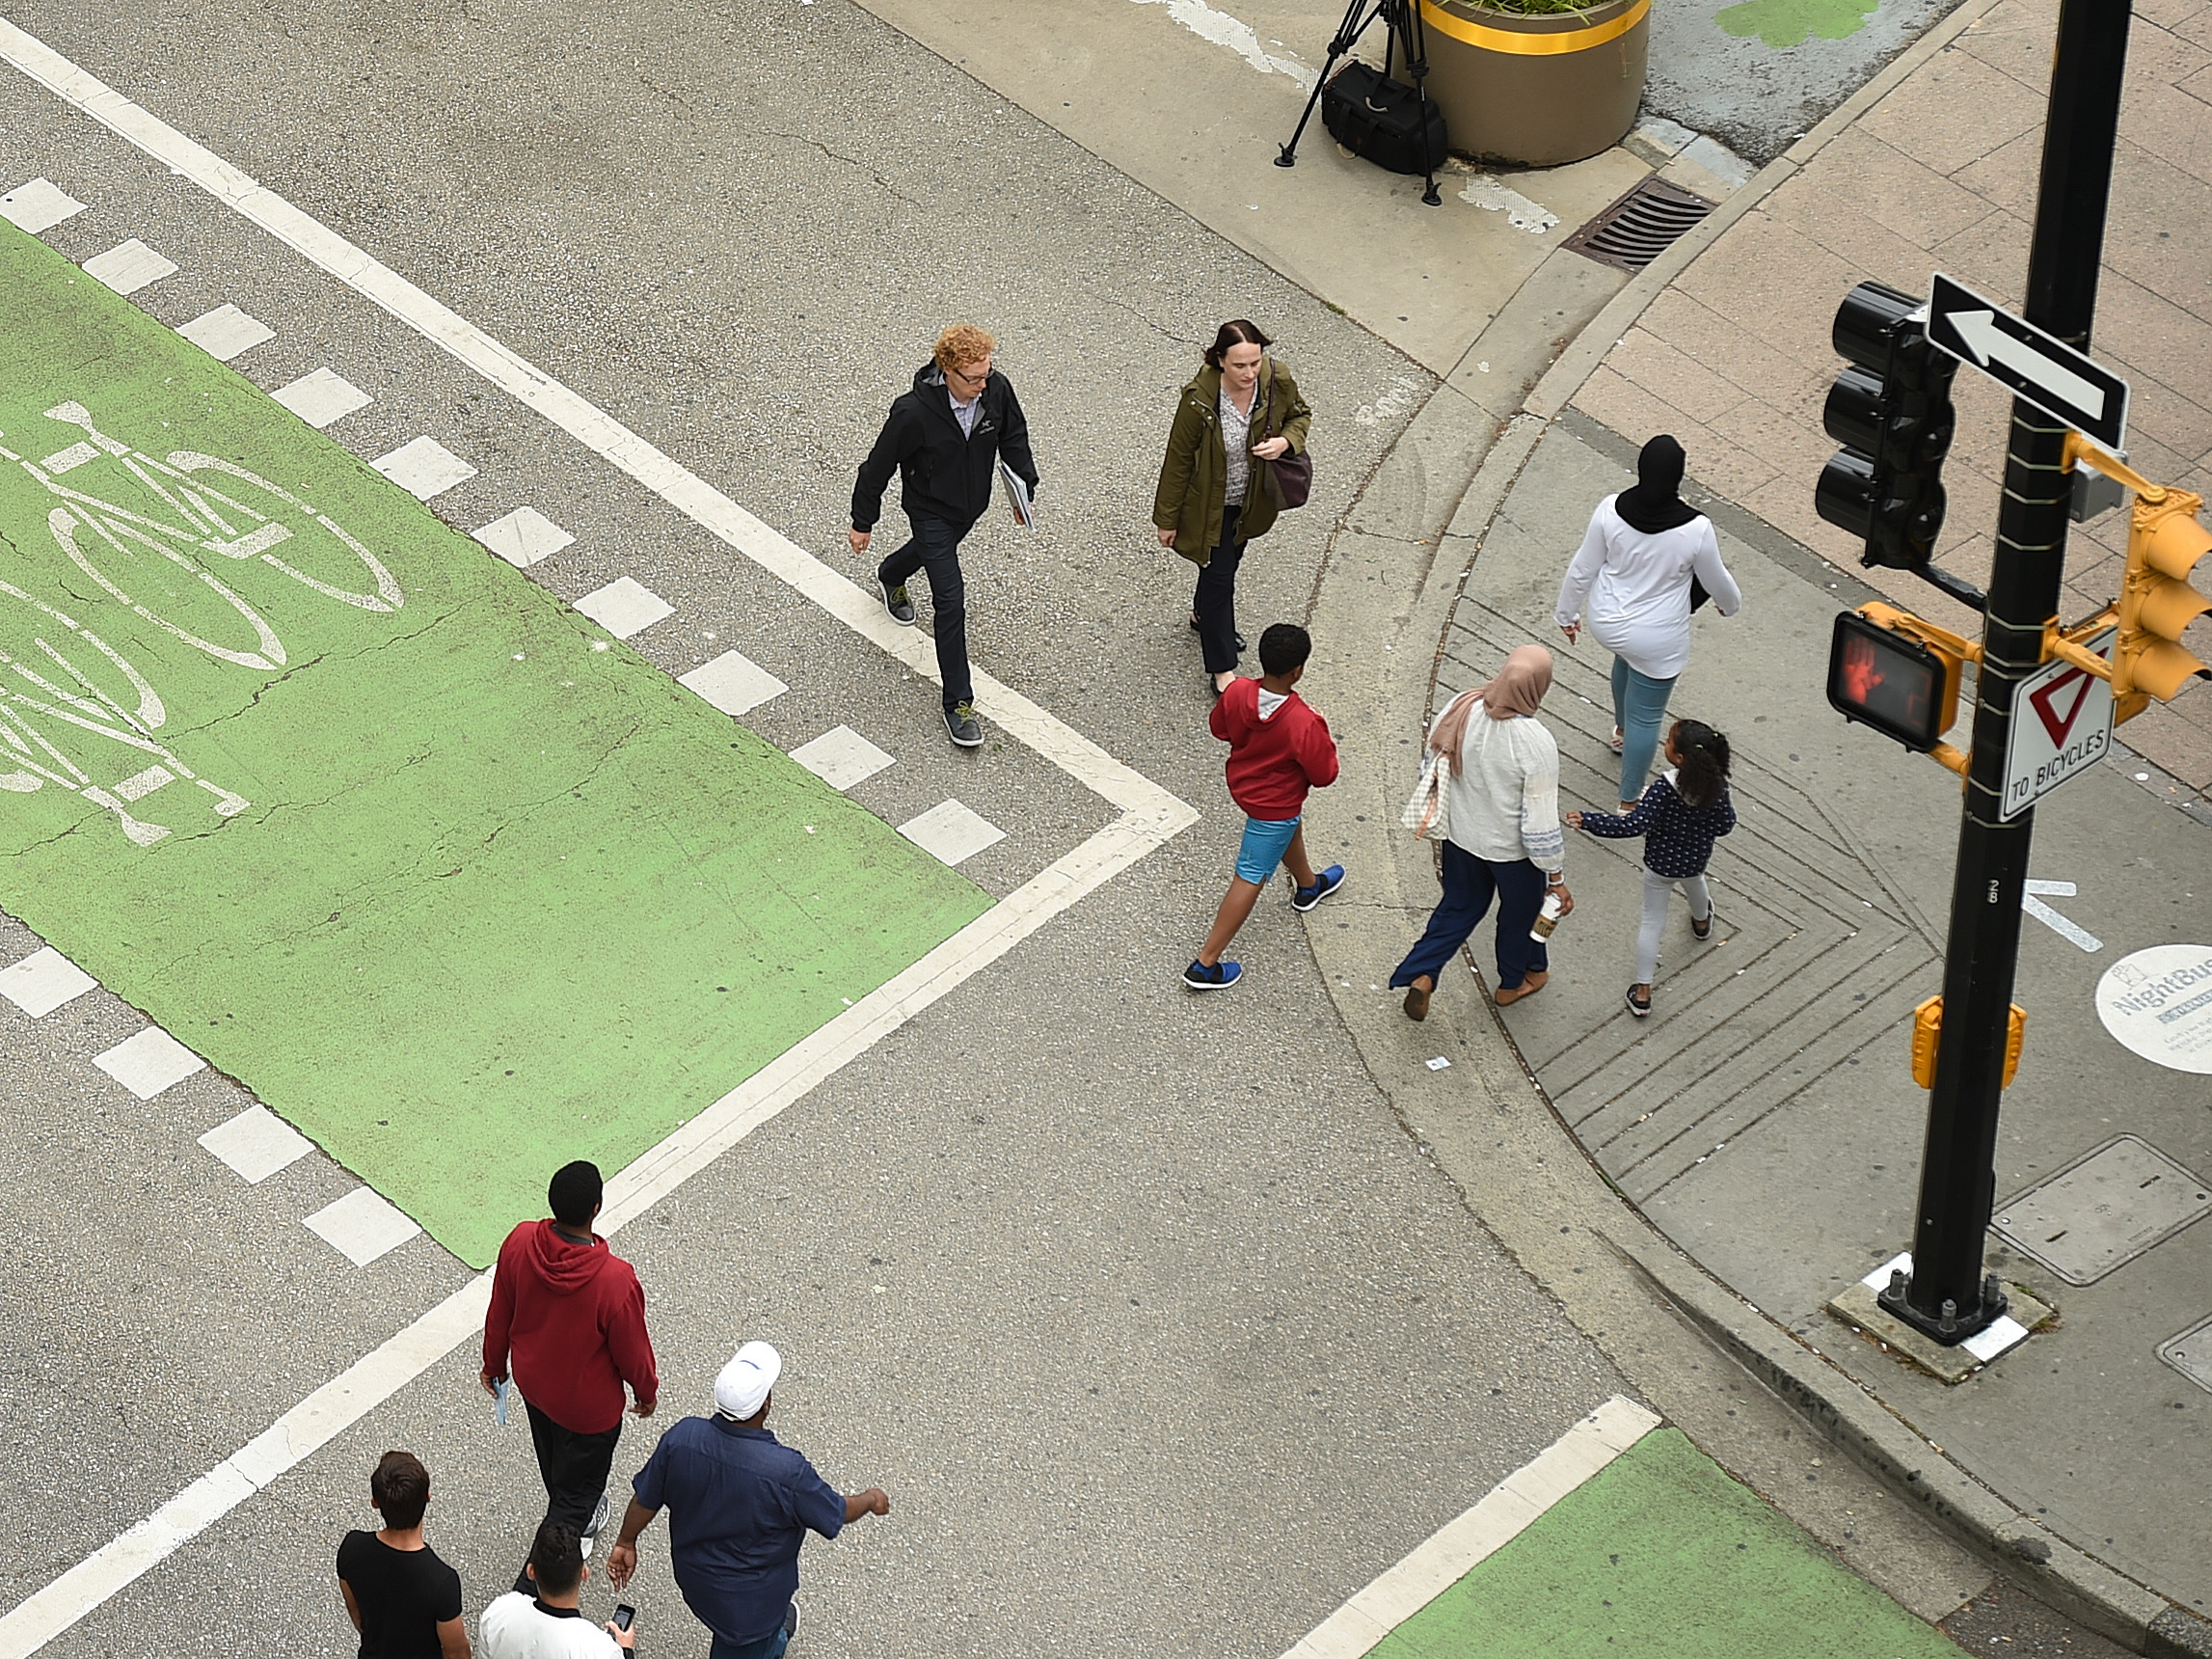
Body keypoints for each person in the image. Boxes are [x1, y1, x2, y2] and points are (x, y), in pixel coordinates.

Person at [606, 1342, 892, 1659]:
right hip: (750, 1607)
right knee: (751, 1646)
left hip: (696, 1580)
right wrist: (870, 1499)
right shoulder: (786, 1472)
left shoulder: (682, 1438)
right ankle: (776, 1640)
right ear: (766, 1404)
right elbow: (837, 1512)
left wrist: (626, 1541)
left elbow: (646, 1498)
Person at [850, 322, 1039, 748]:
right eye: (973, 379)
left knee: (931, 556)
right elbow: (876, 467)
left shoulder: (996, 390)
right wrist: (864, 521)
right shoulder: (912, 413)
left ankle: (891, 573)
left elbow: (1013, 436)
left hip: (969, 507)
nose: (982, 385)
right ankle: (958, 703)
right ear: (947, 369)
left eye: (986, 374)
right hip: (930, 511)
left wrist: (1022, 488)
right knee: (950, 598)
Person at [482, 1160, 659, 1593]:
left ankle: (574, 1508)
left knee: (559, 1469)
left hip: (535, 1388)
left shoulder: (520, 1241)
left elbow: (500, 1311)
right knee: (572, 1501)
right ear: (596, 1208)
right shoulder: (614, 1281)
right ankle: (533, 1593)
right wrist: (646, 1392)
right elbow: (632, 1351)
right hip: (588, 1412)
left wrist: (494, 1365)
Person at [1554, 434, 1741, 809]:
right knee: (1648, 715)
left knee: (1625, 661)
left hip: (1607, 621)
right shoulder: (1696, 528)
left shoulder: (1610, 509)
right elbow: (1717, 580)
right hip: (1657, 639)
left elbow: (1582, 568)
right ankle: (1628, 801)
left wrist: (1567, 613)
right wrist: (1729, 606)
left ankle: (1620, 732)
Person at [1390, 645, 1571, 1020]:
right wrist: (1556, 877)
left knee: (1459, 906)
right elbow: (1540, 822)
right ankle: (1512, 983)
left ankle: (1424, 972)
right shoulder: (1536, 742)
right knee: (1520, 915)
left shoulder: (1463, 704)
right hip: (1512, 853)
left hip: (1460, 837)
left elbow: (1432, 760)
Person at [1152, 320, 1312, 697]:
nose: (1250, 373)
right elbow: (1178, 460)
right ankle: (1222, 666)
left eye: (1255, 363)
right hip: (1209, 505)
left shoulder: (1276, 379)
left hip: (1251, 502)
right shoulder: (1198, 400)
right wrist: (1166, 519)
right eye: (1240, 365)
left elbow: (1300, 415)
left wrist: (1285, 443)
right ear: (1219, 360)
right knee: (1220, 576)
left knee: (1223, 567)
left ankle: (1202, 615)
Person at [1183, 622, 1343, 991]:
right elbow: (1324, 774)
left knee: (1288, 828)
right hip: (1275, 804)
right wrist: (1324, 733)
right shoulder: (1305, 721)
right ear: (1298, 670)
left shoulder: (1237, 690)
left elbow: (1218, 728)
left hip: (1246, 788)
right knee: (1251, 874)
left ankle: (1308, 885)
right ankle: (1205, 964)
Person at [1568, 718, 1735, 1018]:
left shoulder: (1663, 789)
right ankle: (1701, 923)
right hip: (1695, 860)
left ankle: (1643, 992)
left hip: (1659, 865)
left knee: (1652, 922)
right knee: (1696, 883)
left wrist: (1590, 821)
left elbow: (1633, 825)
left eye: (1669, 741)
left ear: (1680, 758)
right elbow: (1725, 825)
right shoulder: (1717, 787)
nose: (1665, 744)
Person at [337, 1451, 470, 1659]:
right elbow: (457, 1652)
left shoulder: (352, 1549)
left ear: (375, 1502)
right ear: (428, 1497)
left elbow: (358, 1617)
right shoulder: (441, 1581)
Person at [478, 1523, 636, 1658]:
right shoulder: (602, 1649)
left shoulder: (499, 1611)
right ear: (584, 1573)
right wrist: (625, 1650)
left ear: (531, 1572)